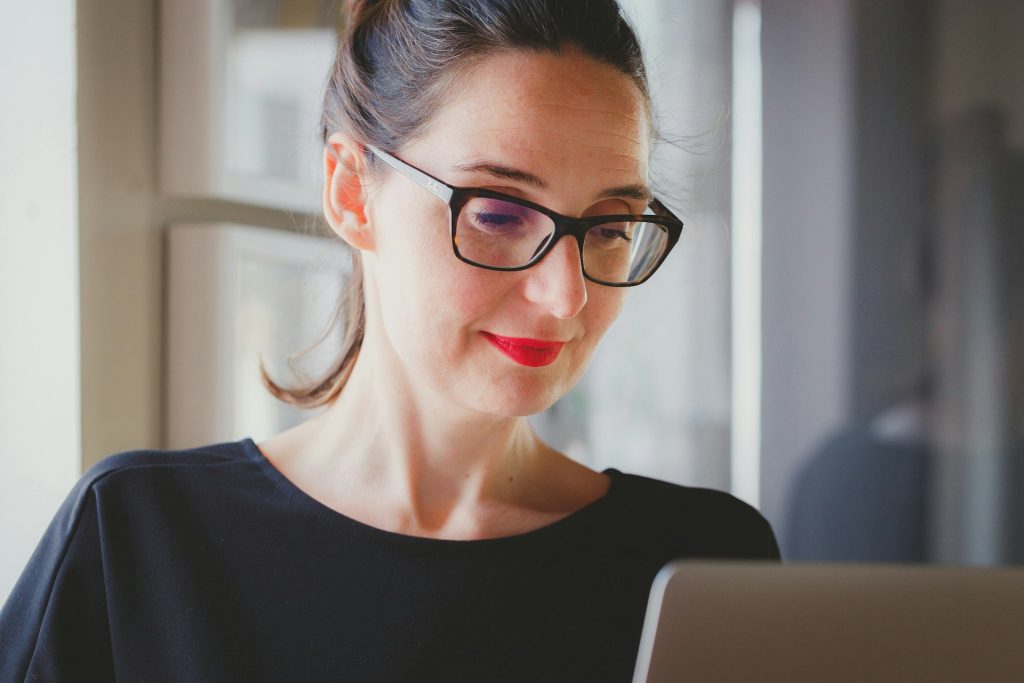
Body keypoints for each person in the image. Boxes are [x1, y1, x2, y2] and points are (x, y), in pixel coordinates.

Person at [0, 0, 780, 680]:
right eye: (500, 213)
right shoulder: (138, 542)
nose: (566, 295)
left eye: (608, 228)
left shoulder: (699, 565)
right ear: (350, 190)